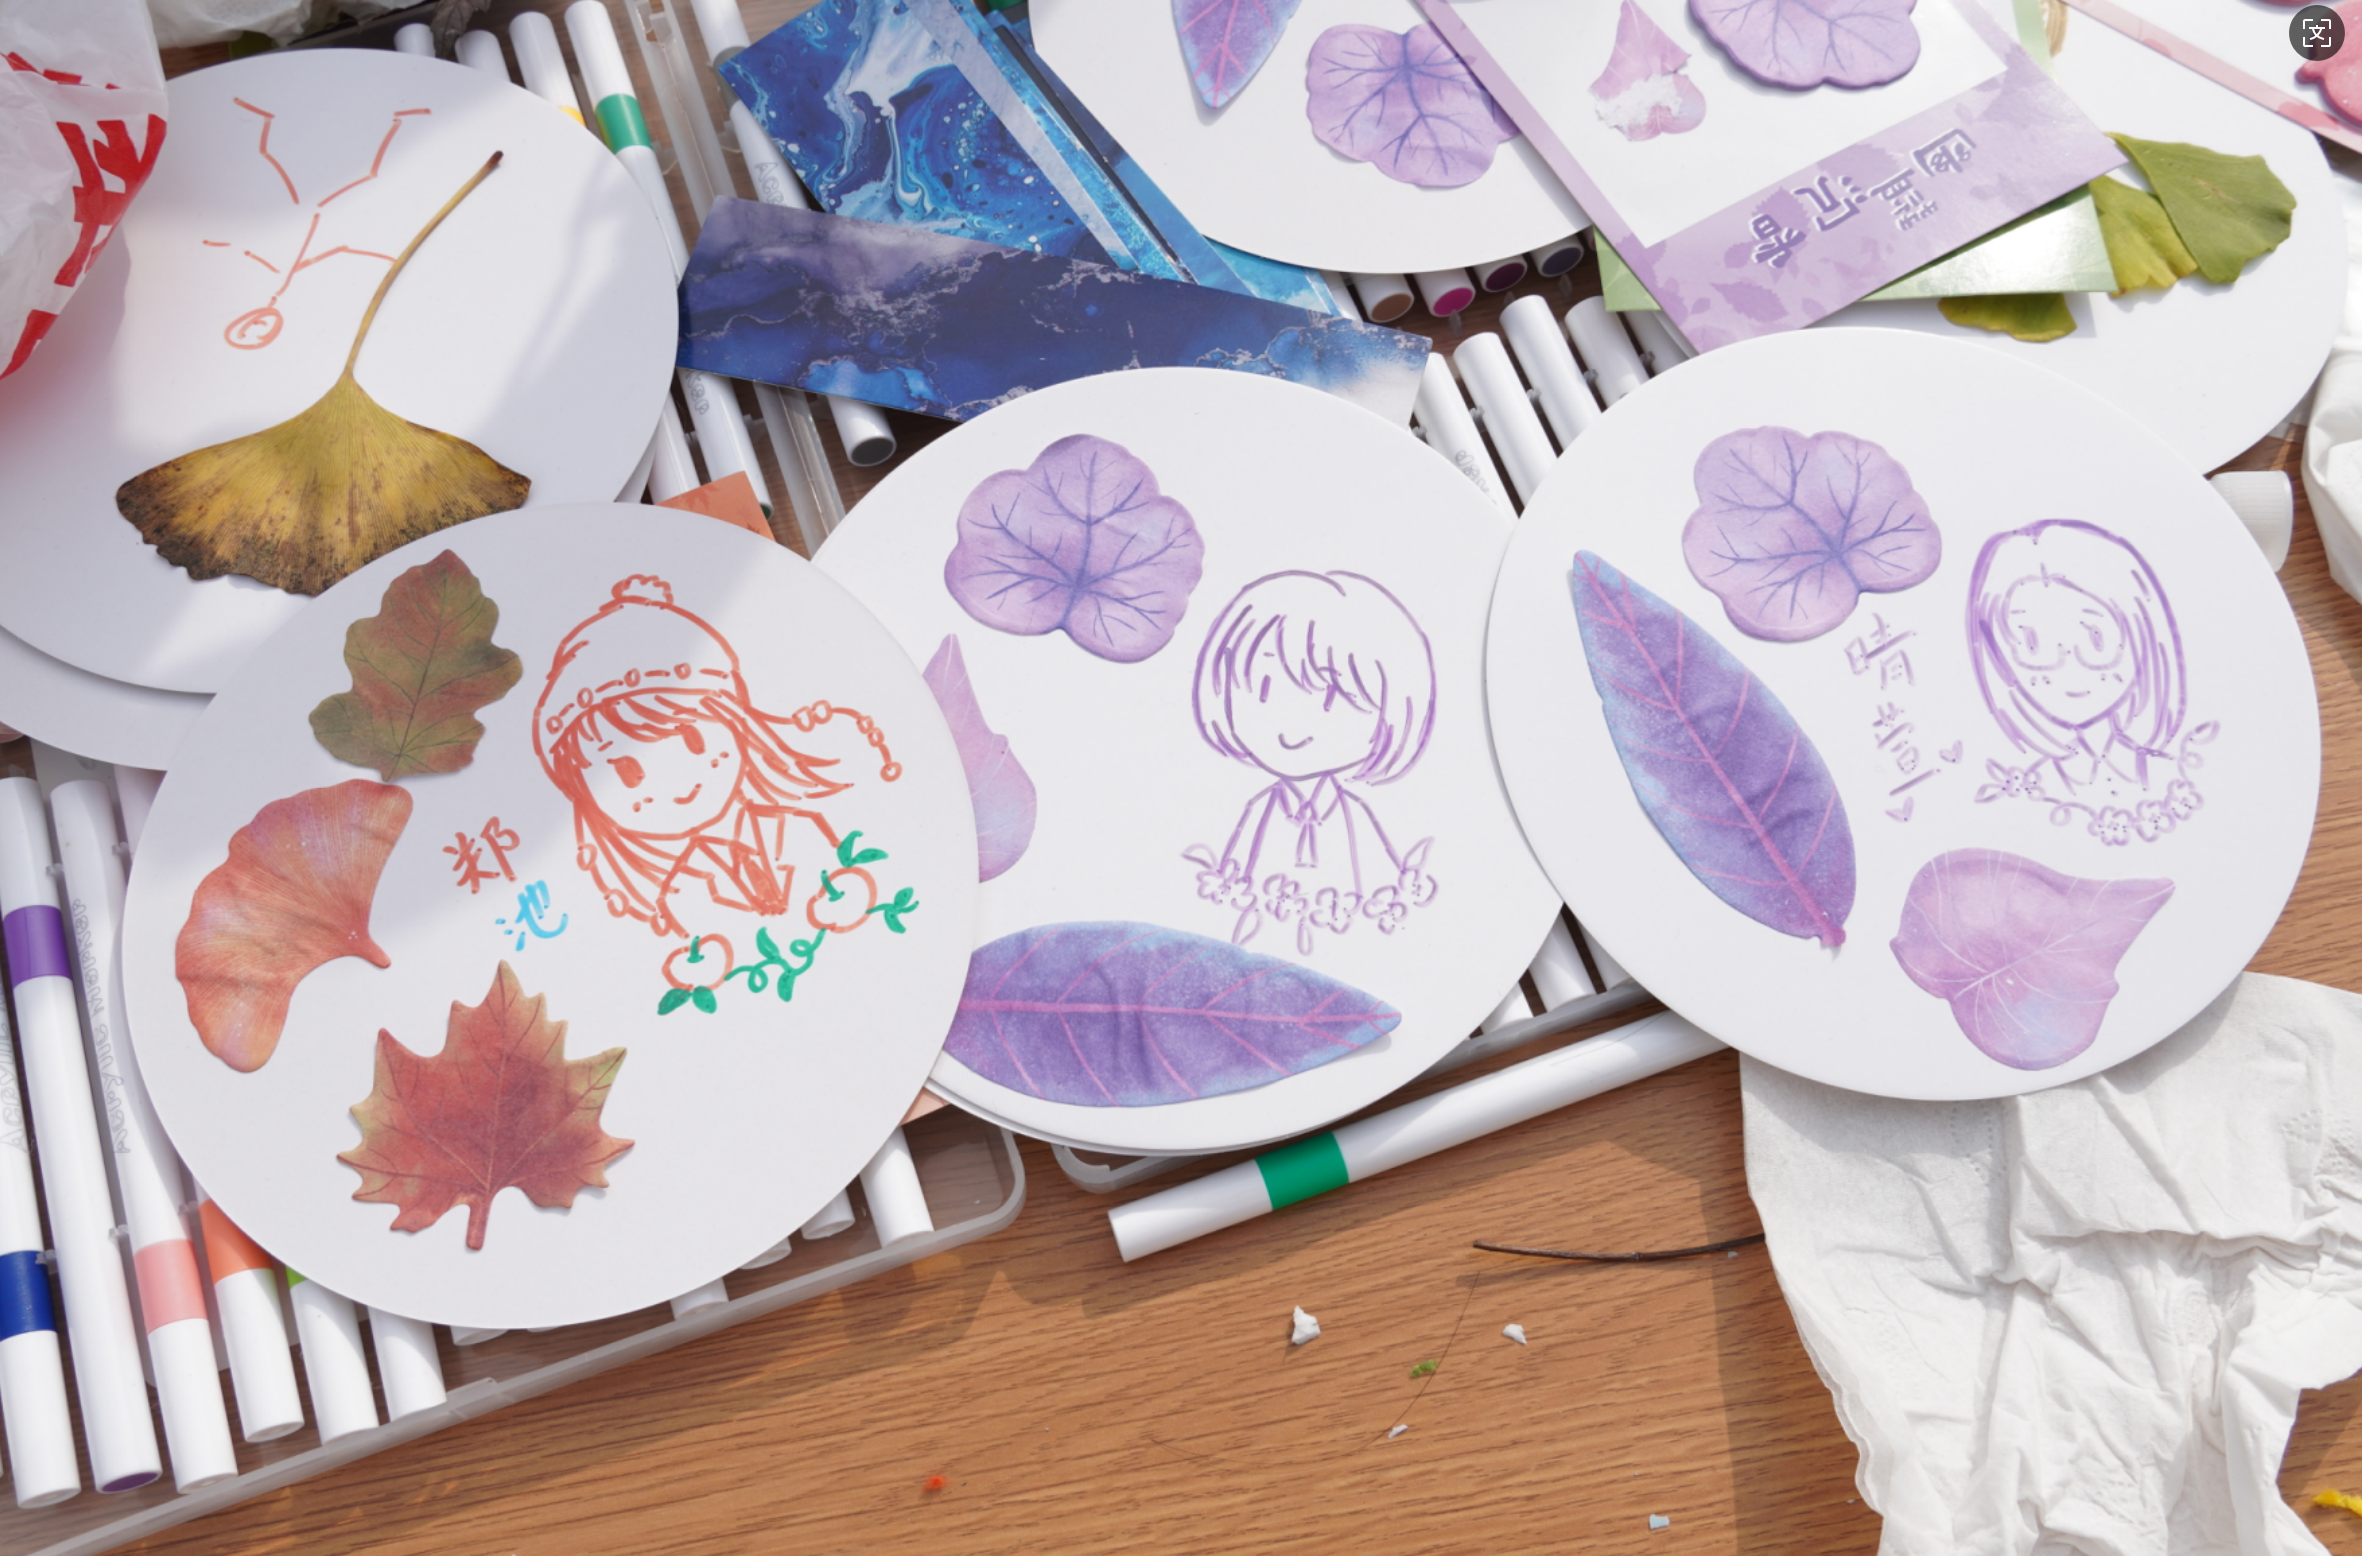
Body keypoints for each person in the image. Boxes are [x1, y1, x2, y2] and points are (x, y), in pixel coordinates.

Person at [533, 574, 898, 939]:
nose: (675, 783)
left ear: (734, 723)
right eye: (627, 773)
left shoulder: (803, 824)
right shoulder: (679, 895)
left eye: (693, 740)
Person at [1184, 570, 1438, 955]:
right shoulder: (1259, 809)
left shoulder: (1354, 814)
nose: (1292, 724)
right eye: (1264, 690)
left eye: (1332, 698)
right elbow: (1229, 886)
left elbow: (1383, 887)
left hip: (1352, 941)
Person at [1967, 519, 2188, 806]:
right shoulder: (2022, 789)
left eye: (2096, 639)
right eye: (2032, 645)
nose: (2066, 665)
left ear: (2139, 632)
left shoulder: (2179, 773)